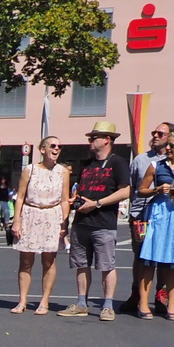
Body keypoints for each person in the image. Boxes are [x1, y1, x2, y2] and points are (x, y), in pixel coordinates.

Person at [57, 122, 131, 320]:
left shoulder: (118, 163)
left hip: (103, 222)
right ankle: (81, 303)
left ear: (107, 140)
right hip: (81, 222)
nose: (90, 141)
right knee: (81, 264)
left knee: (106, 265)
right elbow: (81, 190)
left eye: (94, 138)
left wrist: (97, 203)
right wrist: (77, 200)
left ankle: (107, 306)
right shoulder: (87, 164)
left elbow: (125, 190)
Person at [136, 129, 174, 321]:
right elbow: (141, 190)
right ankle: (144, 303)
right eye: (167, 144)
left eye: (172, 145)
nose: (167, 148)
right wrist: (156, 188)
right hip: (159, 214)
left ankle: (172, 303)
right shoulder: (156, 166)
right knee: (149, 260)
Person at [9, 136, 69, 314]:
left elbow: (65, 200)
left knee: (49, 260)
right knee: (25, 260)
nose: (56, 149)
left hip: (52, 215)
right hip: (30, 213)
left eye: (59, 146)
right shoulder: (30, 169)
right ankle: (22, 301)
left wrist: (65, 223)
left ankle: (44, 302)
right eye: (53, 146)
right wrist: (16, 220)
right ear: (43, 150)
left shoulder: (63, 172)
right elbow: (20, 196)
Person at [128, 121, 174, 316]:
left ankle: (160, 295)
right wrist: (132, 212)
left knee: (163, 257)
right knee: (141, 256)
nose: (155, 135)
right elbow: (132, 188)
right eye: (154, 132)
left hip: (166, 215)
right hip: (141, 215)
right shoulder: (141, 159)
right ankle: (136, 295)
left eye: (160, 133)